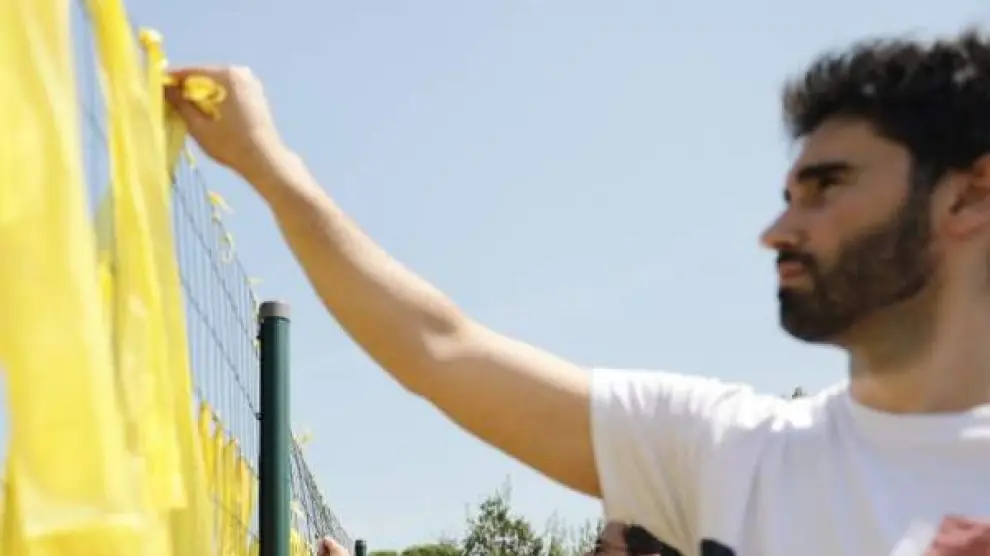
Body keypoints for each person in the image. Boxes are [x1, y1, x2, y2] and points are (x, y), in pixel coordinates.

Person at [166, 29, 990, 556]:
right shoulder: (732, 453)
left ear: (965, 197)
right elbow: (441, 349)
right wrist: (269, 166)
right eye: (787, 195)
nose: (777, 230)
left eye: (827, 187)